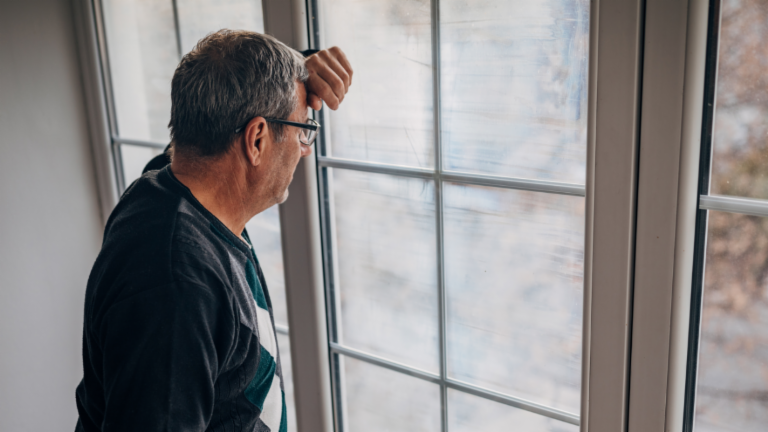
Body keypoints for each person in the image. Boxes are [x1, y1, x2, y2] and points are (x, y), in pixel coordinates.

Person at [74, 30, 353, 431]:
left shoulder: (167, 183)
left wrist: (298, 69)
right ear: (257, 140)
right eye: (302, 130)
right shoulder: (177, 287)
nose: (304, 148)